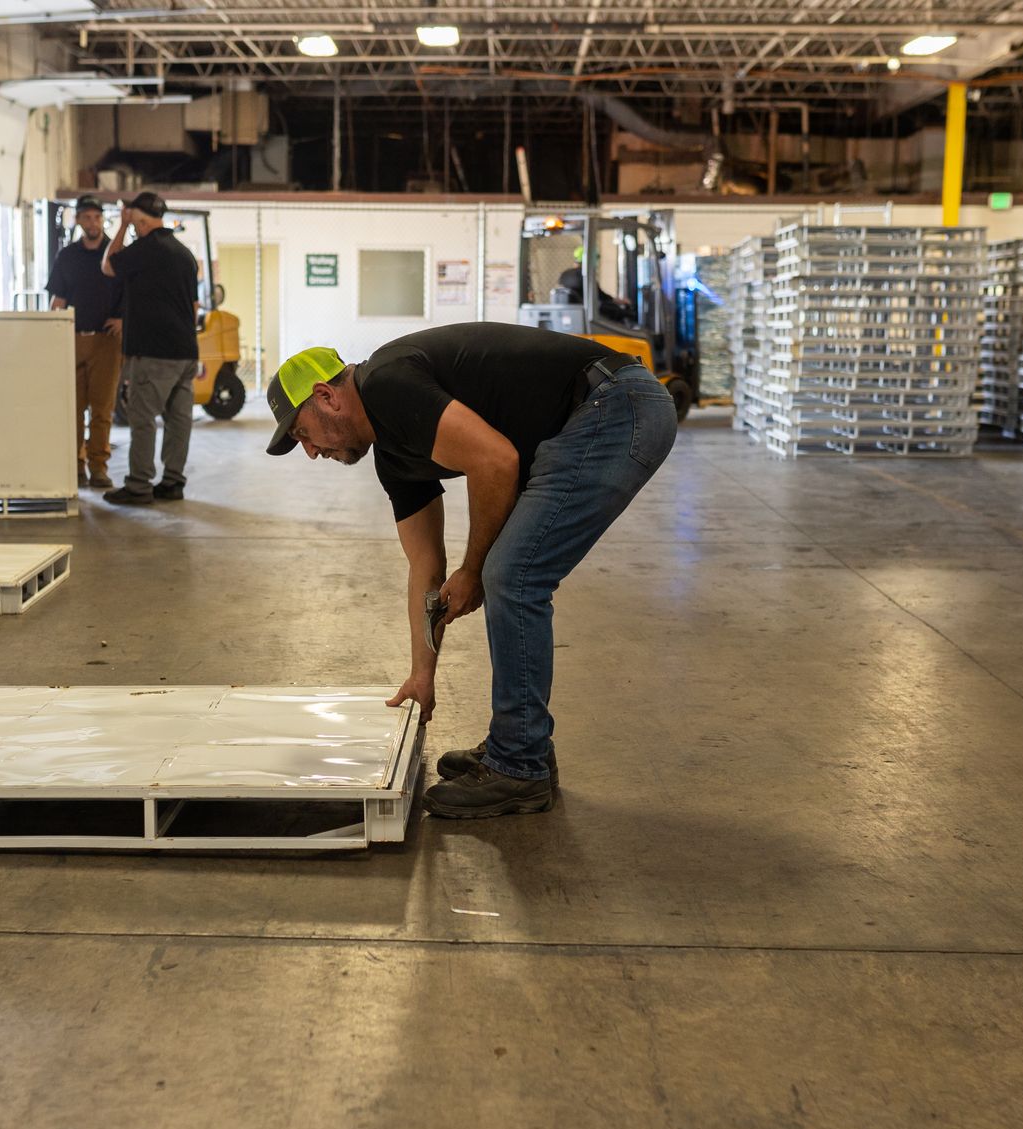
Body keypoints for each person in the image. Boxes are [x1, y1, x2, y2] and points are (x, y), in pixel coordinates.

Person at [263, 323, 677, 819]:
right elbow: (425, 565)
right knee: (510, 572)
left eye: (302, 433)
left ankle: (519, 768)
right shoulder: (393, 456)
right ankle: (523, 746)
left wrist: (474, 570)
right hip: (589, 415)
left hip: (615, 406)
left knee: (511, 574)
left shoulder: (388, 385)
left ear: (326, 396)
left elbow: (496, 462)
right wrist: (422, 675)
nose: (310, 452)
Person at [100, 191, 200, 505]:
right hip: (186, 351)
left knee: (142, 419)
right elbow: (194, 307)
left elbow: (107, 265)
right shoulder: (184, 253)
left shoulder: (146, 249)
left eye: (135, 223)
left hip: (155, 352)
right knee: (178, 420)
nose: (134, 229)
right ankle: (172, 482)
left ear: (141, 221)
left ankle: (139, 485)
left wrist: (120, 225)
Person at [46, 195, 125, 490]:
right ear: (78, 220)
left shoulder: (116, 254)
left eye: (97, 217)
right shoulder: (68, 257)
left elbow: (133, 292)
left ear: (102, 220)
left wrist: (123, 318)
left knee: (102, 409)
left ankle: (99, 467)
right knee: (73, 409)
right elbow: (58, 299)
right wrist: (52, 330)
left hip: (107, 341)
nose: (92, 223)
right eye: (86, 217)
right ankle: (76, 466)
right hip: (73, 338)